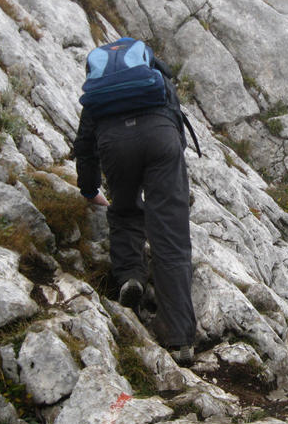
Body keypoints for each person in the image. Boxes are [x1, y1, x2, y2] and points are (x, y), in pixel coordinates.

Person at [73, 38, 196, 365]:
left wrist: (89, 189)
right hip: (161, 139)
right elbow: (176, 122)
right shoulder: (154, 74)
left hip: (114, 144)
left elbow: (84, 145)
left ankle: (130, 276)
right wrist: (172, 176)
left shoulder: (101, 91)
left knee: (125, 210)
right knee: (170, 238)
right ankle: (180, 340)